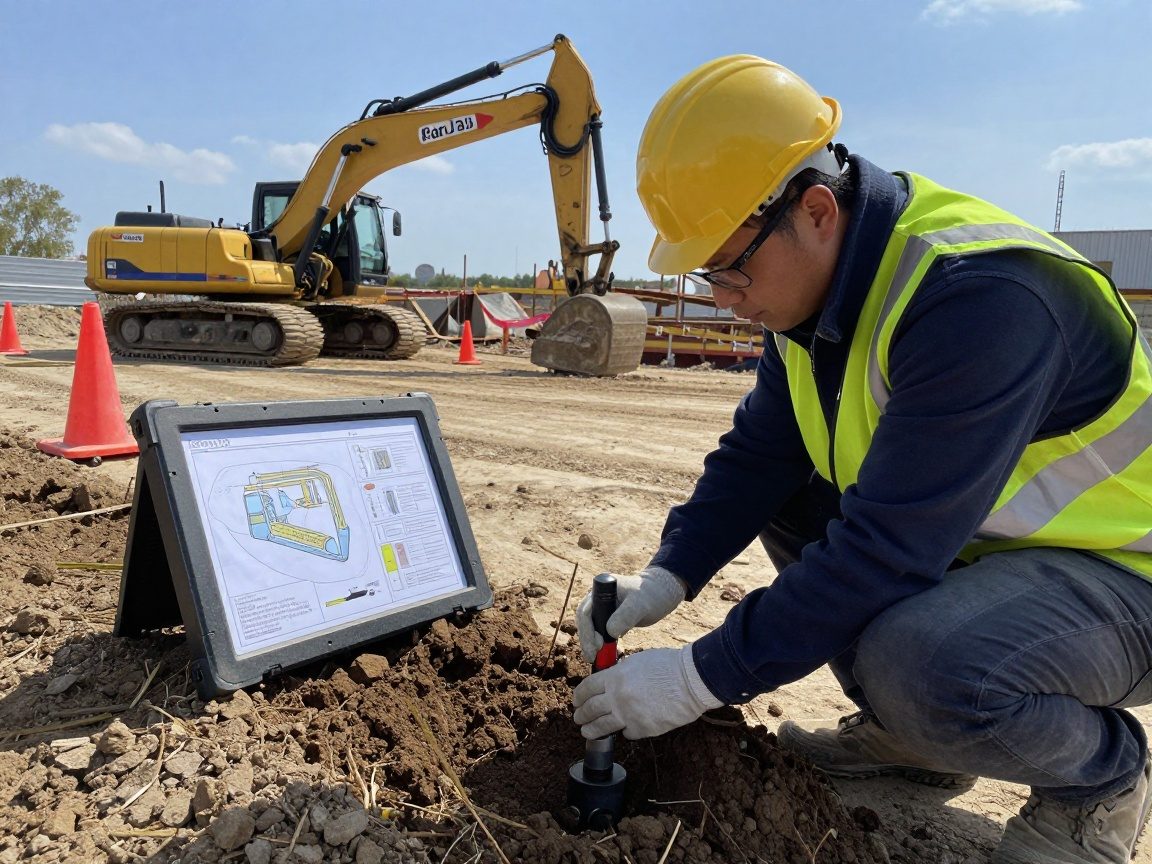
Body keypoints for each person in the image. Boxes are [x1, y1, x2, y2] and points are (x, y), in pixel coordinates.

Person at [571, 55, 1152, 864]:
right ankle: (913, 739)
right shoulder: (814, 301)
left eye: (729, 267)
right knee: (796, 494)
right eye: (705, 274)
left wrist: (699, 677)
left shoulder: (980, 298)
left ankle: (1100, 782)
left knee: (923, 662)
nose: (721, 298)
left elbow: (885, 552)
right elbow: (760, 458)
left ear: (815, 210)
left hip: (1124, 576)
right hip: (994, 556)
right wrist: (670, 576)